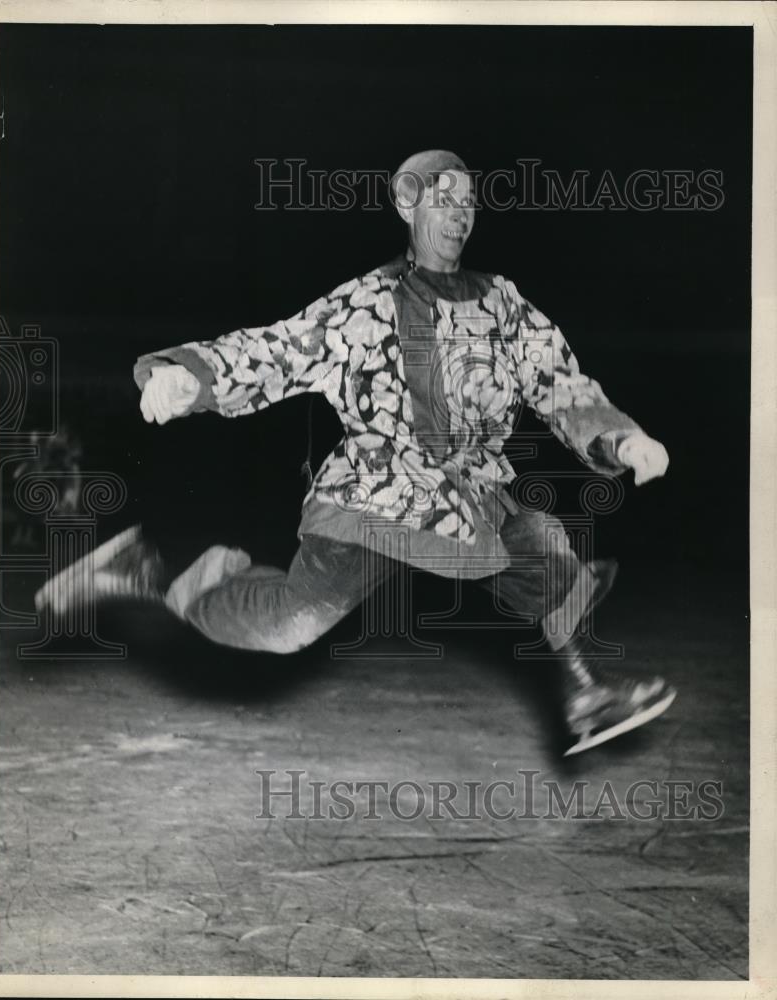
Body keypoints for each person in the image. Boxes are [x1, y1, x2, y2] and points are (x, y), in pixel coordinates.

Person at [36, 150, 675, 755]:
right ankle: (149, 576)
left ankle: (586, 696)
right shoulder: (367, 302)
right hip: (379, 496)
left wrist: (619, 435)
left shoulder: (502, 301)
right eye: (444, 200)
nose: (459, 215)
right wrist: (189, 376)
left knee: (548, 551)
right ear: (408, 205)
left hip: (474, 499)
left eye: (469, 202)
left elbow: (556, 379)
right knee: (289, 627)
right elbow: (278, 350)